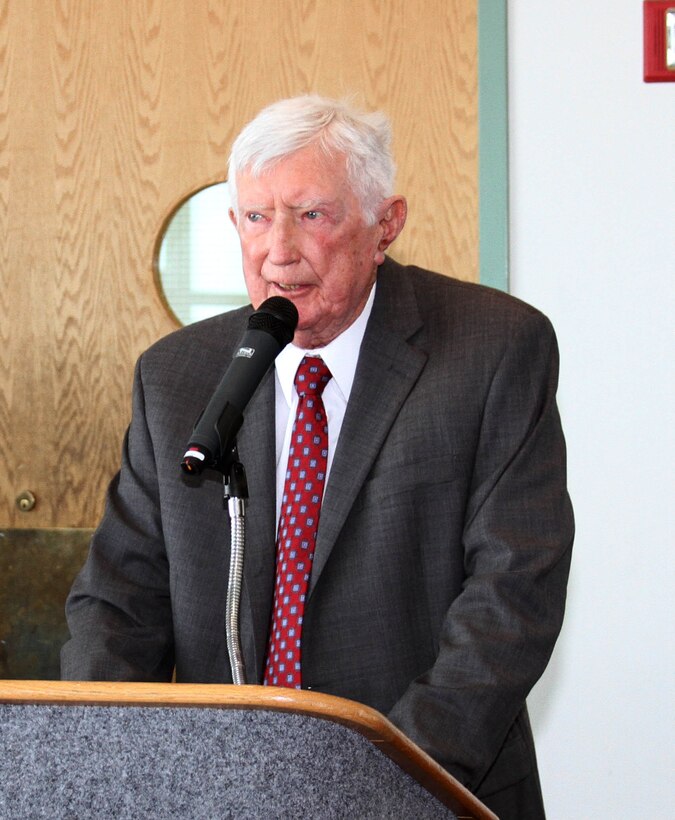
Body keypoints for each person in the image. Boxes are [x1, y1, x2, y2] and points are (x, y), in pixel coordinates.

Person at [62, 94, 574, 819]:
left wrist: (375, 784)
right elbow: (119, 599)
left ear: (383, 226)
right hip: (215, 794)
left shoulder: (492, 349)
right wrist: (104, 765)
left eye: (311, 215)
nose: (278, 250)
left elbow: (512, 594)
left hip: (425, 787)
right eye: (255, 217)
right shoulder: (176, 375)